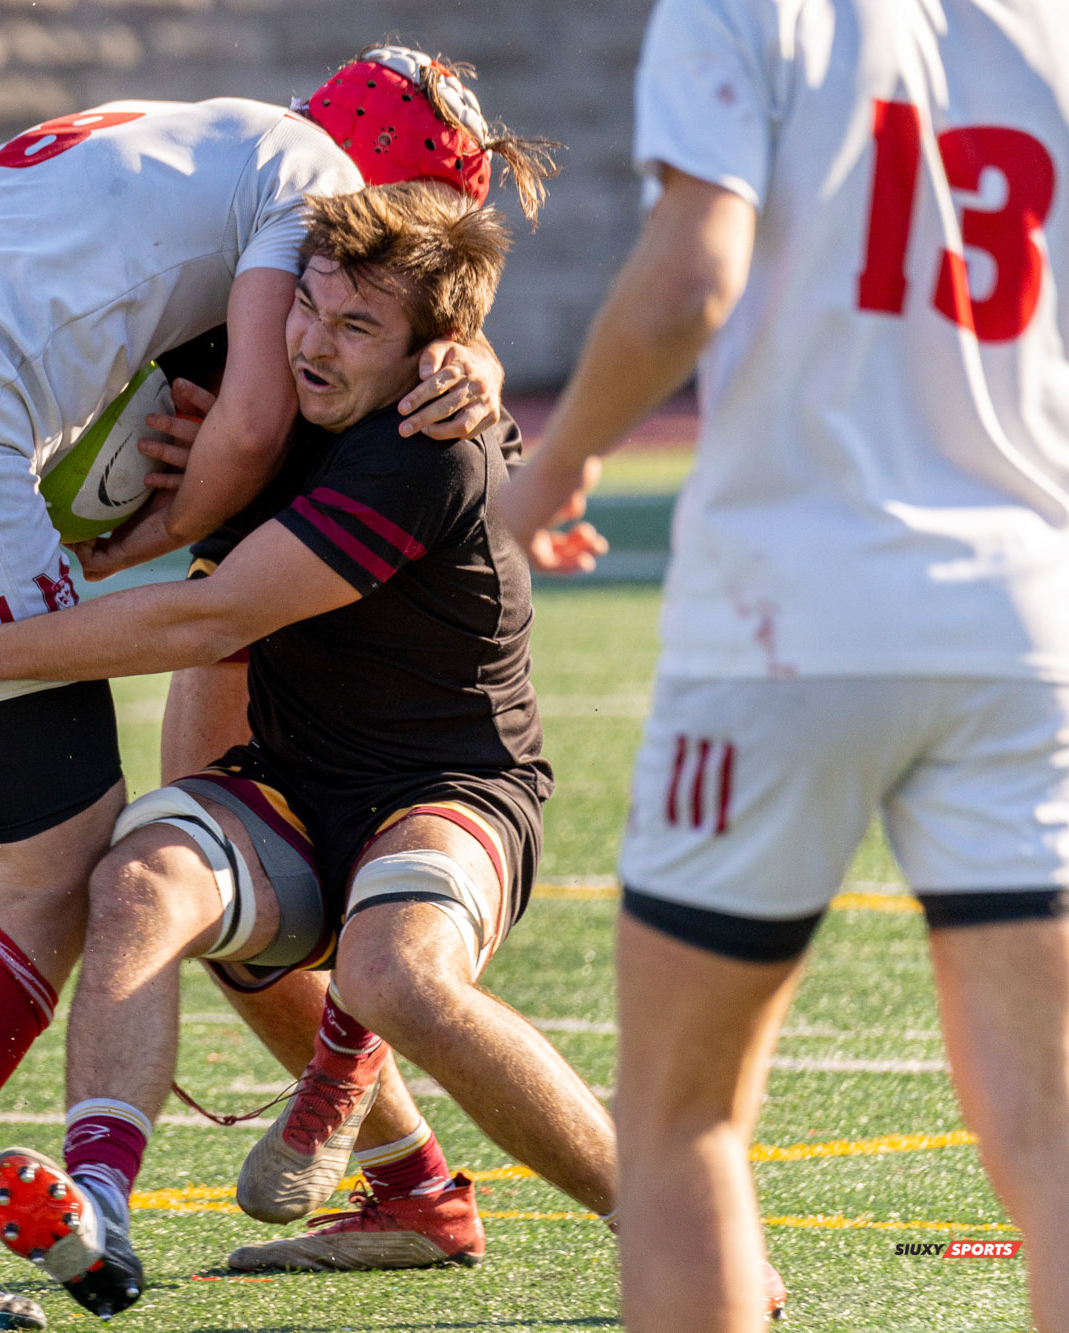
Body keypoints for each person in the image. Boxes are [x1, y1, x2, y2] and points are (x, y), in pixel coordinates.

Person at [0, 46, 553, 1331]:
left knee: (34, 800)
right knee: (65, 855)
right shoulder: (302, 209)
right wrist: (131, 548)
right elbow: (231, 492)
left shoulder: (191, 155)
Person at [0, 181, 622, 1317]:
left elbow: (207, 618)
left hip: (449, 790)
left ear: (433, 351)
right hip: (296, 783)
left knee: (392, 972)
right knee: (143, 876)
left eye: (356, 326)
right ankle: (100, 1208)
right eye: (307, 306)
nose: (312, 343)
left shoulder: (428, 445)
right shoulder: (261, 393)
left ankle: (674, 1224)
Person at [496, 0, 1069, 1328]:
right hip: (1018, 618)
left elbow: (690, 281)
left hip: (783, 621)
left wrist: (560, 461)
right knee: (1050, 1139)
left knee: (682, 1117)